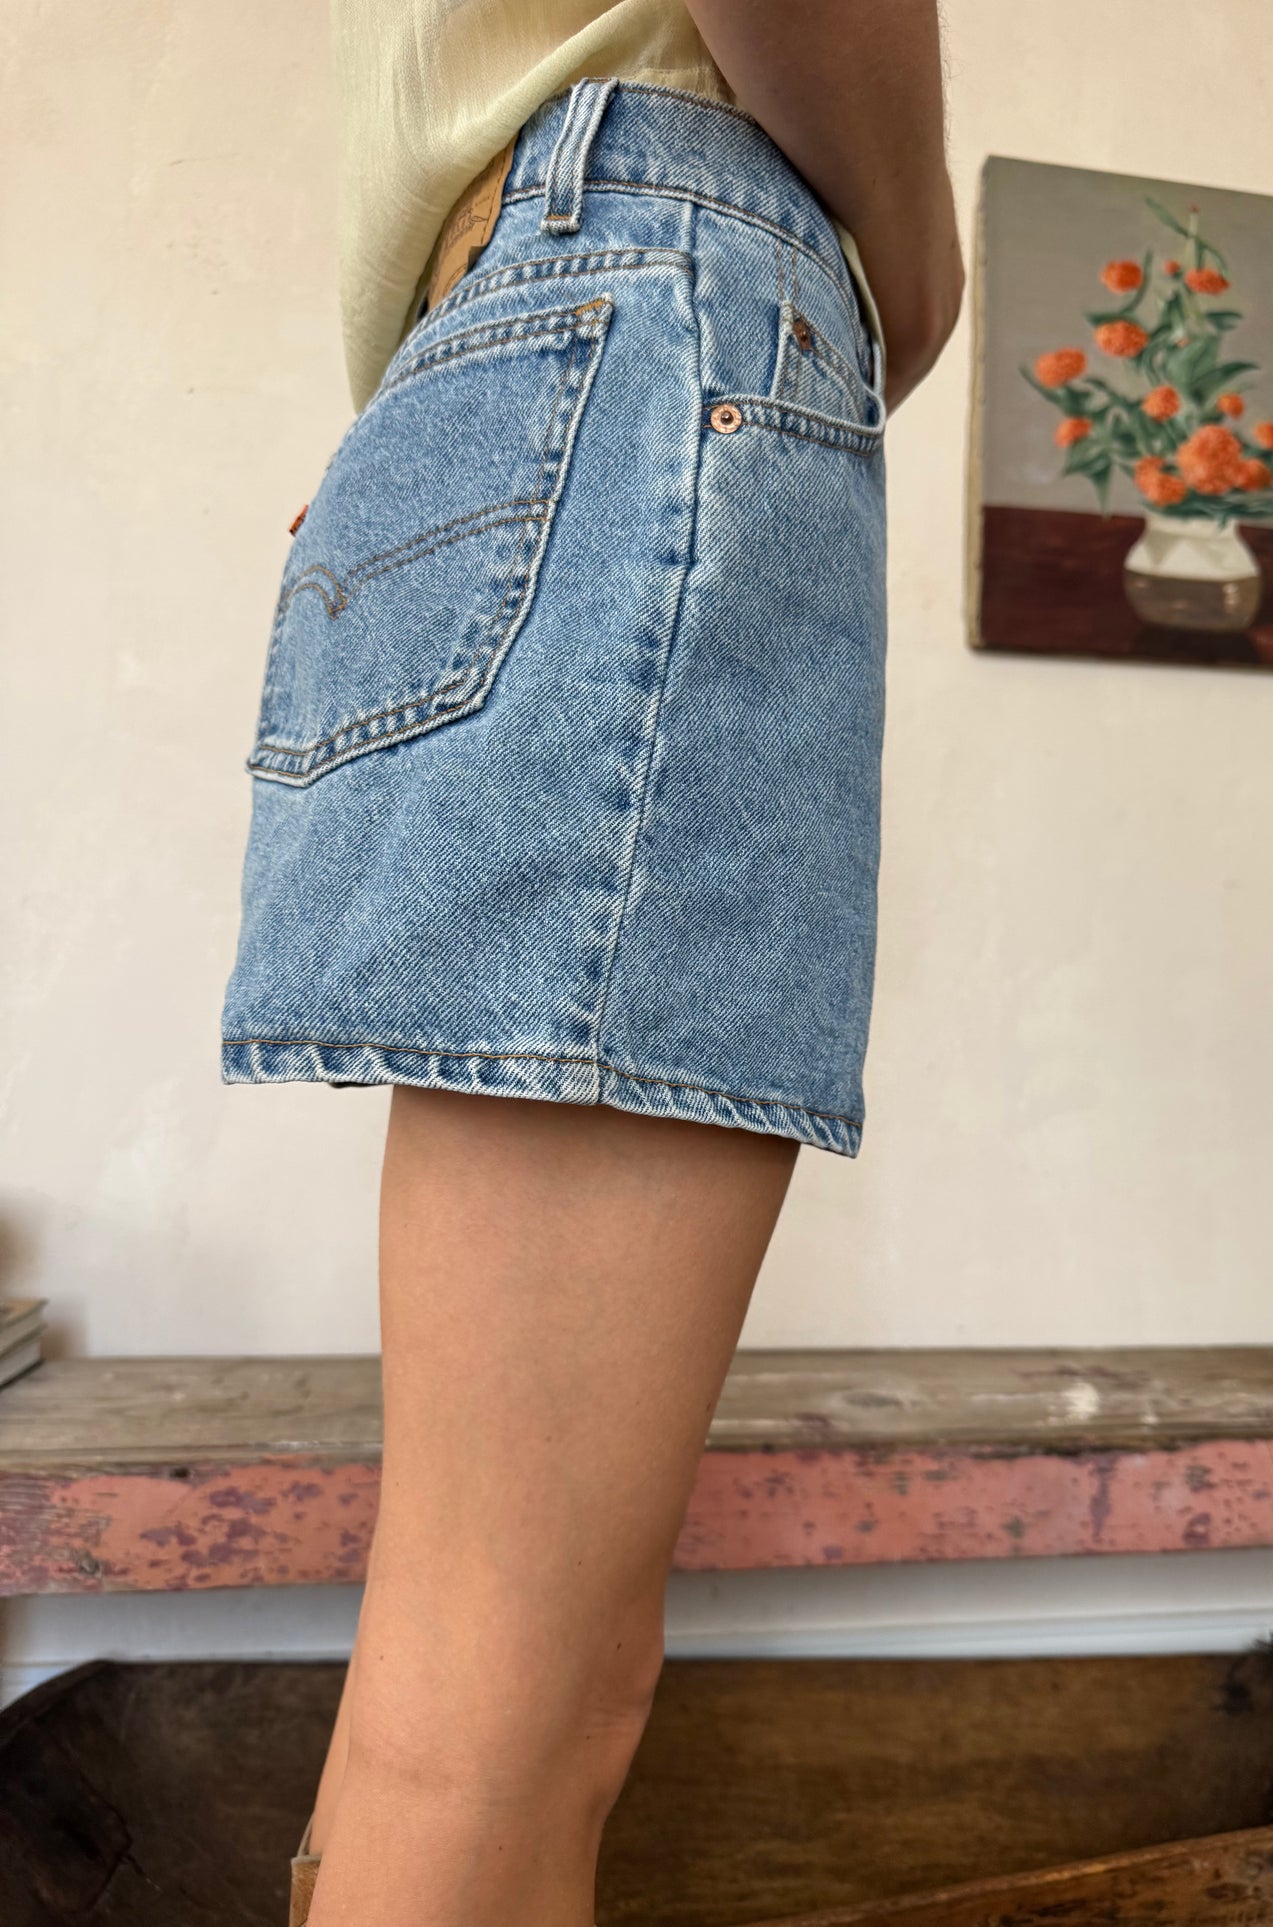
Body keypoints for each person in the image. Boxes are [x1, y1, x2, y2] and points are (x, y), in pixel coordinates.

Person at [221, 4, 963, 1921]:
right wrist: (917, 267)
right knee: (505, 1710)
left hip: (500, 351)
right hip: (644, 297)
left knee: (496, 1682)